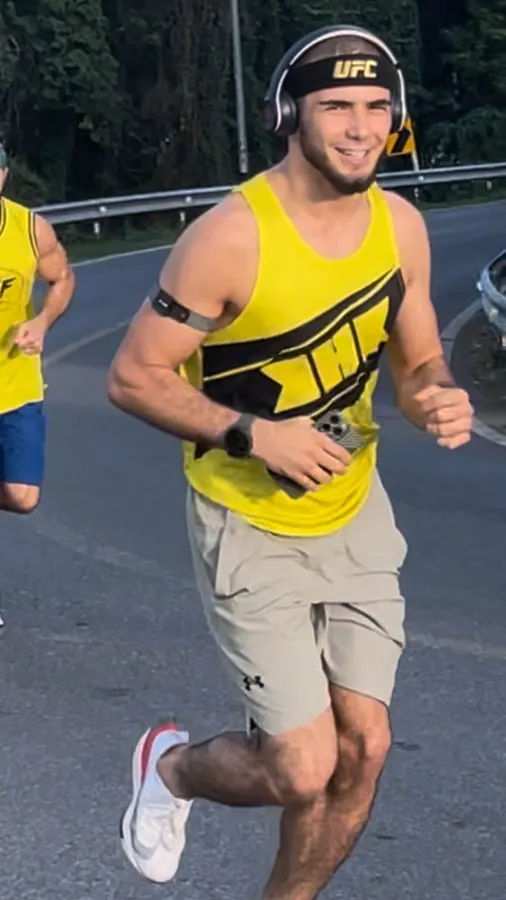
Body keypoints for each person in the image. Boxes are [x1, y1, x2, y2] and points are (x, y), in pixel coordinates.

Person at [107, 24, 473, 899]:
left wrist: (434, 394)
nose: (361, 127)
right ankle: (172, 770)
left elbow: (420, 357)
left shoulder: (401, 228)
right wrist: (255, 434)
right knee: (301, 767)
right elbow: (132, 377)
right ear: (288, 115)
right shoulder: (232, 237)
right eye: (336, 105)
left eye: (377, 106)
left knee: (366, 747)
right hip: (248, 520)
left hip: (353, 510)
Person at [0, 143, 75, 623]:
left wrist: (43, 322)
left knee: (22, 496)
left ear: (4, 175)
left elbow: (62, 278)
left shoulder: (29, 229)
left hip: (15, 383)